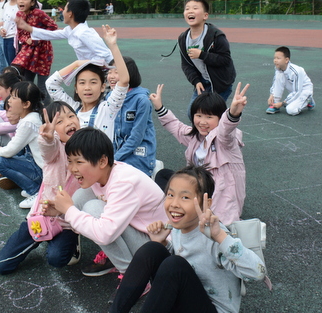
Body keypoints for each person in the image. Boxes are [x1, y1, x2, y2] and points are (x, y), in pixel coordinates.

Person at [109, 166, 266, 313]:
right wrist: (162, 243)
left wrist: (220, 237)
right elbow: (187, 264)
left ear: (206, 204)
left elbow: (257, 273)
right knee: (152, 249)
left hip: (213, 308)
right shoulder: (179, 228)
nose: (174, 204)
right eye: (170, 195)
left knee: (174, 265)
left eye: (185, 197)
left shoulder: (214, 236)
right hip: (185, 299)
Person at [50, 127, 167, 291]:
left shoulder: (123, 182)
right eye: (70, 161)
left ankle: (134, 278)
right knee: (81, 196)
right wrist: (60, 211)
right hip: (140, 232)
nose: (73, 168)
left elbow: (104, 234)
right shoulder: (102, 174)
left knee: (93, 209)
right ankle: (117, 256)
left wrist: (69, 210)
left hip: (159, 246)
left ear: (102, 161)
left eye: (79, 162)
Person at [0, 102, 83, 274]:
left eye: (71, 116)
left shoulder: (87, 148)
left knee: (56, 258)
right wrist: (47, 138)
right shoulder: (55, 149)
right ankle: (49, 236)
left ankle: (73, 240)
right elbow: (48, 148)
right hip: (42, 215)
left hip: (68, 221)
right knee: (2, 265)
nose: (69, 122)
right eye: (59, 121)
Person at [150, 82, 249, 226]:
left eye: (209, 117)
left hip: (218, 195)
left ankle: (184, 215)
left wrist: (233, 114)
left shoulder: (225, 141)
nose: (202, 122)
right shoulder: (196, 137)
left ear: (220, 118)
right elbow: (176, 127)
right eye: (199, 115)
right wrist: (159, 107)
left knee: (208, 223)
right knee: (163, 175)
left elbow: (226, 130)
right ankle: (180, 210)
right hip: (198, 188)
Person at [46, 25, 128, 142]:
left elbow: (124, 80)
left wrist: (113, 45)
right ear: (76, 88)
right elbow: (51, 84)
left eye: (93, 82)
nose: (87, 88)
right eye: (82, 83)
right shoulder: (72, 109)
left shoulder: (107, 108)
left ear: (103, 87)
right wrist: (77, 64)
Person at [170, 0, 236, 120]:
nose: (190, 11)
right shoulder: (183, 38)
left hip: (220, 83)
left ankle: (225, 129)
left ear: (205, 15)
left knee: (211, 115)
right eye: (187, 9)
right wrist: (196, 81)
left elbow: (225, 59)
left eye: (195, 8)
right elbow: (186, 64)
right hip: (202, 83)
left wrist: (202, 55)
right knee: (193, 114)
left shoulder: (216, 36)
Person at [0, 81, 45, 208]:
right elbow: (16, 145)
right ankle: (34, 186)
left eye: (14, 97)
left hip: (41, 170)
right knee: (9, 158)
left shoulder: (28, 122)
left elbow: (12, 149)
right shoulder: (32, 117)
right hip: (40, 166)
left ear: (26, 104)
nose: (9, 100)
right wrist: (4, 150)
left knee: (1, 163)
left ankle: (35, 191)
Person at [16, 0, 113, 63]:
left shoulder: (84, 33)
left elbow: (104, 54)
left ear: (70, 14)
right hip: (91, 69)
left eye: (65, 10)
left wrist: (84, 65)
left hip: (106, 71)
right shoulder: (70, 30)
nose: (62, 12)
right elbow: (51, 34)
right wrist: (29, 28)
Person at [107, 56, 157, 177]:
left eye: (116, 72)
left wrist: (114, 159)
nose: (111, 76)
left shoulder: (142, 100)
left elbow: (136, 137)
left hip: (138, 156)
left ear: (128, 74)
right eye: (109, 72)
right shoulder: (110, 97)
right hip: (116, 153)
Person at [12, 0, 58, 103]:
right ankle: (31, 108)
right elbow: (20, 34)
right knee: (28, 83)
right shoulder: (19, 14)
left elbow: (53, 27)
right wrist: (25, 39)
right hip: (28, 53)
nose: (21, 1)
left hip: (43, 52)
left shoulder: (38, 13)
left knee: (43, 86)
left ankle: (47, 110)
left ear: (32, 2)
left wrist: (37, 39)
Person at [267, 46, 315, 116]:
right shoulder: (278, 69)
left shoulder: (296, 71)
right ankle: (275, 104)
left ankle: (308, 100)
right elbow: (275, 83)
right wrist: (272, 95)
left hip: (303, 91)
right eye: (274, 58)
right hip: (294, 90)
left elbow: (297, 91)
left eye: (278, 58)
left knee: (290, 110)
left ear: (286, 60)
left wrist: (283, 103)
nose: (275, 60)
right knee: (279, 76)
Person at [0, 0, 19, 67]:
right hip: (5, 38)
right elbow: (4, 21)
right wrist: (1, 29)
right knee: (9, 65)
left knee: (15, 66)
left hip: (15, 39)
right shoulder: (6, 5)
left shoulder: (20, 5)